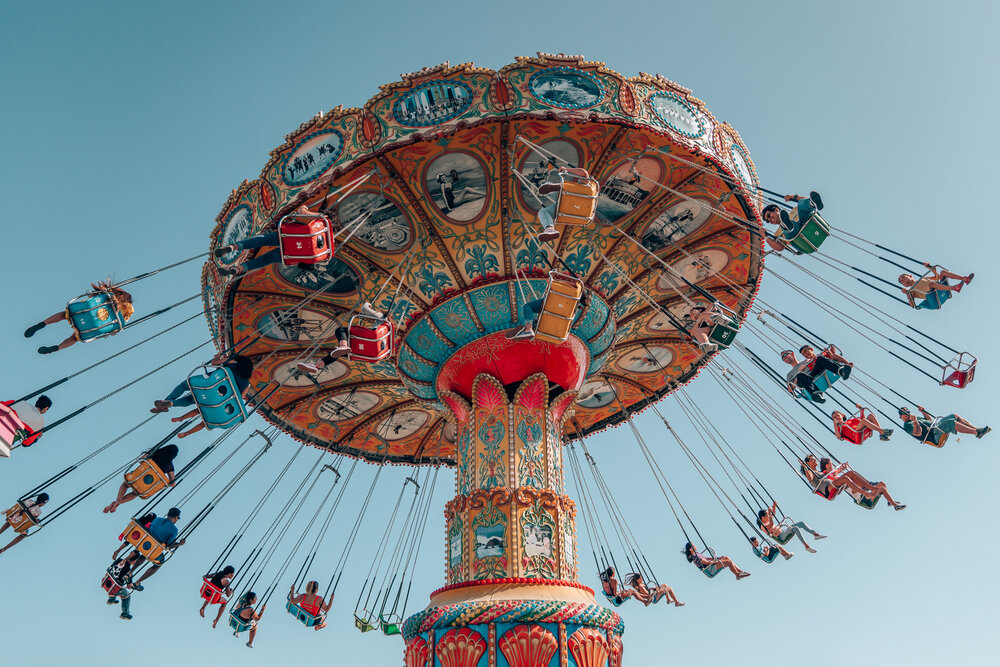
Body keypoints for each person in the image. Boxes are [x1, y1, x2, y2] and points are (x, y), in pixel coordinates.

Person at [151, 353, 255, 438]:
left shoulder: (232, 363)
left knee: (185, 386)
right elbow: (240, 399)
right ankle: (170, 404)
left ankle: (168, 402)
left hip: (207, 384)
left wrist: (218, 357)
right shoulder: (246, 384)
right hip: (217, 401)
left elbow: (214, 363)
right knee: (194, 399)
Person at [215, 202, 327, 277]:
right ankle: (239, 269)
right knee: (265, 259)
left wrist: (303, 209)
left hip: (290, 236)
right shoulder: (326, 250)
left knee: (263, 239)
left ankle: (233, 247)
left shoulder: (323, 222)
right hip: (291, 253)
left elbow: (304, 212)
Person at [25, 280, 135, 354]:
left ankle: (42, 324)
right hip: (92, 327)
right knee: (75, 338)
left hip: (83, 311)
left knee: (65, 314)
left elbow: (92, 296)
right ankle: (57, 348)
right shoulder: (124, 314)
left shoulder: (109, 296)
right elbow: (115, 330)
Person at [295, 302, 386, 374]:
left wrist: (368, 304)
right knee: (337, 353)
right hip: (370, 352)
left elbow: (364, 309)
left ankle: (343, 346)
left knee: (340, 330)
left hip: (370, 339)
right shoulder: (387, 329)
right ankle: (316, 365)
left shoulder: (382, 317)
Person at [103, 445, 179, 513]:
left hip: (136, 476)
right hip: (146, 485)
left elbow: (141, 459)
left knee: (125, 484)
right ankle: (118, 503)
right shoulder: (170, 467)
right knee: (135, 493)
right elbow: (173, 484)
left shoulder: (155, 453)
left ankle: (118, 500)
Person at [816, 457, 906, 511]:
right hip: (860, 497)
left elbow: (836, 473)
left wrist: (840, 469)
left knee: (882, 485)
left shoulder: (834, 473)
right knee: (851, 474)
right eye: (831, 464)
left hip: (864, 494)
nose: (832, 465)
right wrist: (838, 472)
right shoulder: (827, 475)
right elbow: (836, 480)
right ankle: (869, 487)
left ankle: (891, 503)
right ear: (827, 466)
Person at [534, 166, 594, 243]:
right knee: (543, 212)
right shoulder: (581, 186)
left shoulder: (586, 185)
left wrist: (566, 169)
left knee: (564, 192)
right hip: (568, 207)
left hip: (571, 200)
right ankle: (550, 229)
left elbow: (584, 173)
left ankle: (557, 188)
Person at [506, 287, 589, 342]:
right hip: (557, 316)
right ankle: (530, 328)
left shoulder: (573, 289)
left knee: (527, 307)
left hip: (551, 304)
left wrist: (550, 281)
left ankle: (528, 329)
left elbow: (555, 285)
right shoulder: (574, 304)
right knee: (537, 321)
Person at [131, 507, 186, 590]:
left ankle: (130, 572)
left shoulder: (157, 519)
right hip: (153, 550)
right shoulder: (174, 530)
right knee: (158, 564)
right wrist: (179, 544)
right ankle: (138, 582)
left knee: (144, 554)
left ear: (168, 514)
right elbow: (169, 545)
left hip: (144, 543)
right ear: (176, 517)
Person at [780, 345, 851, 403]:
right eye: (782, 358)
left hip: (815, 374)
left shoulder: (807, 360)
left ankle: (841, 371)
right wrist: (799, 372)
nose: (784, 358)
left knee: (820, 359)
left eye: (785, 355)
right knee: (800, 375)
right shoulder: (789, 375)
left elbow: (822, 360)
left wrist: (830, 353)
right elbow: (790, 389)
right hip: (806, 381)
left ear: (792, 354)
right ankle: (817, 394)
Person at [757, 501, 825, 553]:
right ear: (762, 517)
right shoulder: (763, 526)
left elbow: (773, 515)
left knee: (801, 523)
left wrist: (774, 507)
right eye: (767, 515)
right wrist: (769, 513)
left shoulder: (768, 520)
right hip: (781, 537)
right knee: (795, 528)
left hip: (783, 532)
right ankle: (806, 546)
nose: (769, 516)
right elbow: (771, 524)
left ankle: (815, 534)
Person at [898, 263, 973, 308]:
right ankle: (954, 288)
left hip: (939, 288)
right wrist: (907, 294)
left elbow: (937, 277)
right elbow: (912, 305)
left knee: (942, 272)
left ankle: (964, 279)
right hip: (933, 298)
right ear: (904, 285)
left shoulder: (923, 278)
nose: (903, 280)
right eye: (902, 281)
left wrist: (930, 267)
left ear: (910, 276)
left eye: (903, 277)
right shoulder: (911, 291)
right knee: (931, 284)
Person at [898, 406, 989, 441]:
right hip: (933, 435)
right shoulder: (907, 425)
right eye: (904, 413)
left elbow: (929, 420)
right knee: (951, 423)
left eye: (907, 411)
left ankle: (976, 429)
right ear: (901, 417)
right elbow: (918, 433)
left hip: (935, 426)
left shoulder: (915, 418)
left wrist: (923, 412)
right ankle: (976, 432)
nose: (907, 414)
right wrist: (914, 421)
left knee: (954, 415)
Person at [106, 550, 143, 620]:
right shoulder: (128, 571)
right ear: (135, 561)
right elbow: (129, 586)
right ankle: (125, 613)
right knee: (127, 595)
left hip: (106, 582)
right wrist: (133, 585)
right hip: (114, 588)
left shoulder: (119, 560)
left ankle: (111, 599)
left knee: (115, 582)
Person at [683, 541, 750, 580]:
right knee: (728, 562)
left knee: (727, 557)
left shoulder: (696, 553)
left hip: (711, 565)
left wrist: (718, 558)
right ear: (690, 549)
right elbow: (705, 562)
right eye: (693, 545)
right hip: (710, 569)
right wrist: (715, 561)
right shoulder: (694, 556)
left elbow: (707, 558)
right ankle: (737, 575)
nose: (695, 546)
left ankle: (740, 572)